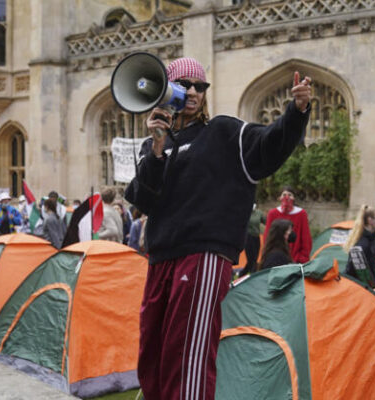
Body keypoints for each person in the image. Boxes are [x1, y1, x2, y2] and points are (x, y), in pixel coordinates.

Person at [125, 55, 311, 400]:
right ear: (166, 90)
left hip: (204, 255)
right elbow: (143, 199)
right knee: (153, 352)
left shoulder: (225, 132)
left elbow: (271, 144)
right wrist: (157, 146)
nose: (193, 92)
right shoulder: (154, 144)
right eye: (184, 85)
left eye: (200, 86)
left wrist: (296, 112)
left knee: (188, 353)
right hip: (160, 257)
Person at [265, 187, 312, 263]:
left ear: (293, 198)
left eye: (289, 195)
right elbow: (267, 236)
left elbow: (306, 237)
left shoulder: (301, 214)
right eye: (284, 195)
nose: (286, 197)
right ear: (280, 198)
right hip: (277, 256)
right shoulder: (273, 213)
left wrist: (303, 257)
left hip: (296, 258)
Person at [342, 205, 375, 288]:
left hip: (368, 286)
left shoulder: (371, 237)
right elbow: (351, 268)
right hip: (360, 287)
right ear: (370, 220)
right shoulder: (363, 243)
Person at [243, 203, 266, 274]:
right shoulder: (245, 212)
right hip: (247, 237)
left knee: (255, 257)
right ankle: (253, 274)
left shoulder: (259, 213)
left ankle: (242, 273)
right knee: (250, 258)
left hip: (256, 237)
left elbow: (266, 221)